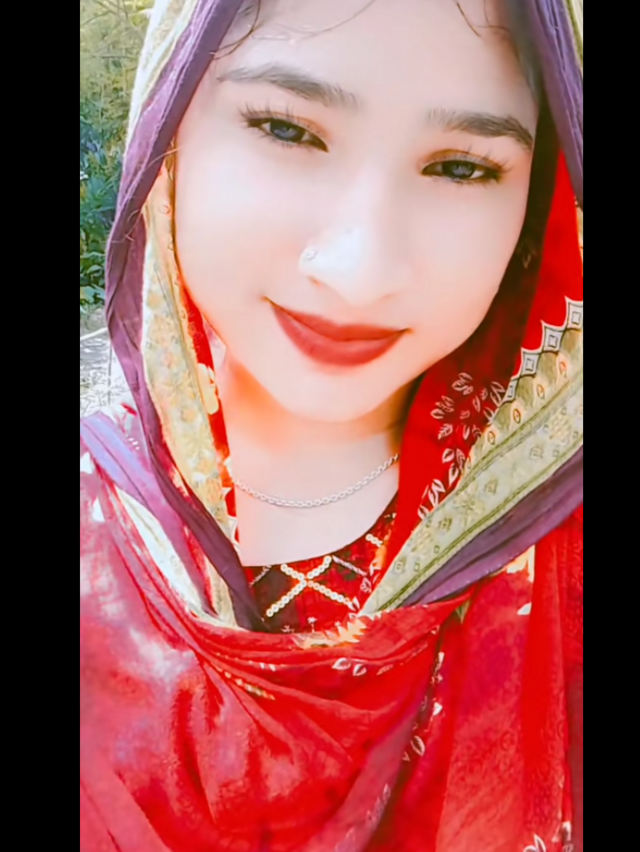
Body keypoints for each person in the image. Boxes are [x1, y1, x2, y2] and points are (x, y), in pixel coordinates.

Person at [80, 0, 583, 849]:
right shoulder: (97, 537)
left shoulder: (557, 543)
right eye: (287, 129)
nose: (360, 270)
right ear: (168, 127)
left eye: (461, 168)